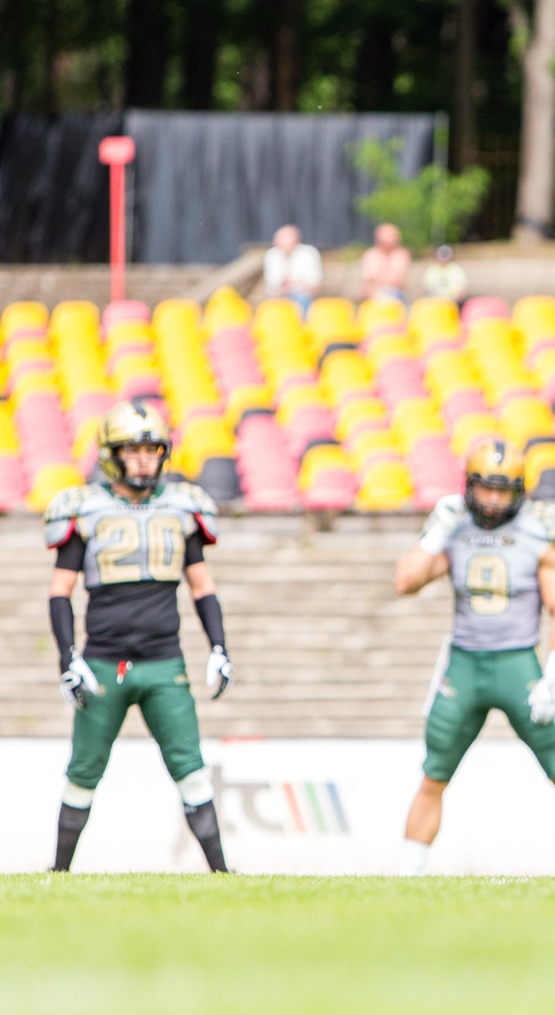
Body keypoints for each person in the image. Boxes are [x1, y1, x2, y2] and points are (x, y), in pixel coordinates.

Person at [393, 438, 555, 876]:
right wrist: (436, 534)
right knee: (433, 776)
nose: (492, 499)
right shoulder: (453, 526)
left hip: (519, 666)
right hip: (464, 666)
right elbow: (405, 582)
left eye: (503, 489)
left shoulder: (540, 528)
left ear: (520, 490)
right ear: (469, 486)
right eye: (486, 487)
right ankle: (405, 876)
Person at [44, 400, 232, 873]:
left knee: (191, 768)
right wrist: (68, 657)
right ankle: (59, 872)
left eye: (152, 448)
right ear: (112, 454)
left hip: (163, 661)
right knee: (83, 771)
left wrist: (218, 647)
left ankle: (223, 875)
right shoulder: (83, 508)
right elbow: (60, 591)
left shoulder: (181, 506)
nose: (146, 458)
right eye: (134, 448)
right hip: (104, 661)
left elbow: (202, 584)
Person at [261, 224, 322, 317]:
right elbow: (273, 286)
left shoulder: (309, 253)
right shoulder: (272, 255)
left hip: (302, 297)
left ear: (296, 240)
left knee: (300, 300)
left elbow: (314, 284)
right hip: (278, 297)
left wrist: (293, 284)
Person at [361, 223, 412, 302]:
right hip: (373, 294)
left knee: (385, 295)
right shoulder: (371, 254)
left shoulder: (401, 254)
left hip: (395, 294)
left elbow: (397, 280)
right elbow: (369, 278)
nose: (395, 238)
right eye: (391, 235)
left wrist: (378, 279)